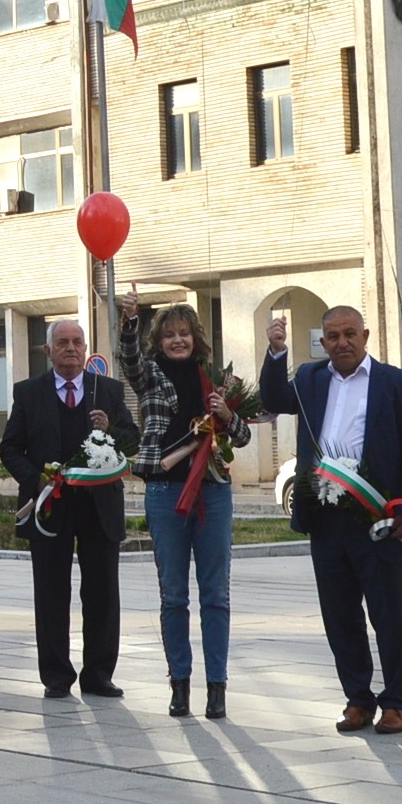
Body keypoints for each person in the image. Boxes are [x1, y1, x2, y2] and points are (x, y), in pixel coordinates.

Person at [268, 306, 402, 734]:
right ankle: (358, 698)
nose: (342, 343)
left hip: (378, 517)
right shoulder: (308, 380)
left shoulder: (397, 384)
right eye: (333, 336)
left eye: (350, 334)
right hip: (325, 518)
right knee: (340, 615)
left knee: (389, 614)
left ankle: (397, 702)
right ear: (322, 342)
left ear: (366, 335)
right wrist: (275, 351)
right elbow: (271, 400)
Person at [3, 318, 135, 700]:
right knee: (51, 593)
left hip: (99, 507)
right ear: (48, 351)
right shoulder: (28, 393)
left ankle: (99, 674)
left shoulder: (107, 390)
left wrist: (110, 428)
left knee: (102, 594)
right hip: (50, 509)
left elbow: (131, 440)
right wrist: (37, 481)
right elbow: (10, 448)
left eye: (78, 342)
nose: (71, 348)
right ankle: (56, 676)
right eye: (62, 343)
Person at [135, 304, 244, 719]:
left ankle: (217, 687)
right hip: (165, 492)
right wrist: (129, 323)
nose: (177, 340)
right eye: (169, 335)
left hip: (213, 492)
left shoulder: (216, 380)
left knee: (215, 594)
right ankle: (179, 685)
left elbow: (244, 434)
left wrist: (227, 414)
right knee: (173, 595)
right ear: (159, 341)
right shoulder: (149, 374)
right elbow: (129, 355)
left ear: (196, 337)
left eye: (184, 333)